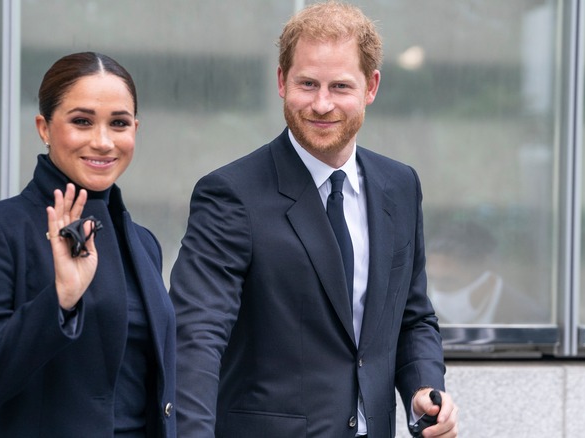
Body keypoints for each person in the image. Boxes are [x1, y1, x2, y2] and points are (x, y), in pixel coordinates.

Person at [170, 2, 458, 437]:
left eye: (340, 86)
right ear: (282, 82)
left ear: (371, 87)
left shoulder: (400, 186)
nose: (322, 104)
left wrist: (425, 389)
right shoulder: (230, 194)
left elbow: (412, 317)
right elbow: (196, 338)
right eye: (308, 83)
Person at [0, 52, 176, 437]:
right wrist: (61, 299)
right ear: (44, 127)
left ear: (135, 129)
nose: (102, 142)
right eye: (82, 121)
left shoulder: (143, 243)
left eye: (118, 123)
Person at [426, 220, 547, 324]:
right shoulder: (426, 321)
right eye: (432, 279)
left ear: (487, 279)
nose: (438, 291)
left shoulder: (529, 321)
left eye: (448, 281)